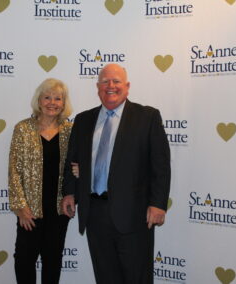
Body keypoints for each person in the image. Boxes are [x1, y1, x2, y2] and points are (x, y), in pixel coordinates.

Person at [62, 64, 171, 284]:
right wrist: (69, 193)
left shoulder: (147, 117)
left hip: (134, 215)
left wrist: (158, 203)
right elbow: (72, 160)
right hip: (95, 213)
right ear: (98, 87)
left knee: (136, 278)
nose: (110, 86)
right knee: (106, 277)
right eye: (105, 82)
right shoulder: (83, 120)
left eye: (116, 81)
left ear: (127, 87)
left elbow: (160, 165)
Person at [8, 78, 73, 284]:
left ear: (64, 103)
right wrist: (20, 206)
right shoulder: (23, 129)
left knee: (53, 262)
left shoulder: (70, 131)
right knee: (24, 261)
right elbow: (14, 170)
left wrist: (80, 170)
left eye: (58, 98)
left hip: (58, 210)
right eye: (47, 97)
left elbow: (79, 164)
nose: (52, 102)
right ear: (39, 100)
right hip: (30, 212)